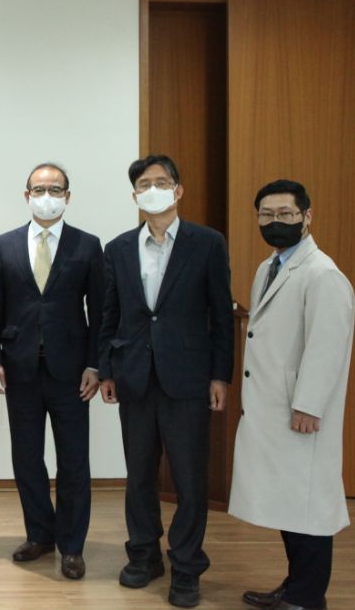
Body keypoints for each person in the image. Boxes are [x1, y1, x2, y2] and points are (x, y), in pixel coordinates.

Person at [98, 154, 233, 609]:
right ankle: (143, 556)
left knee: (190, 479)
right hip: (134, 377)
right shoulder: (118, 248)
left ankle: (187, 567)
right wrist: (107, 369)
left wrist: (220, 375)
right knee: (139, 476)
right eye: (144, 184)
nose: (152, 189)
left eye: (161, 182)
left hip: (188, 378)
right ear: (135, 195)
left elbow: (221, 315)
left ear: (178, 190)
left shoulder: (207, 243)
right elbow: (109, 315)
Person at [231, 180, 355, 610]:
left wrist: (308, 405)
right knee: (289, 505)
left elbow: (327, 347)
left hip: (300, 413)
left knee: (309, 509)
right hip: (272, 409)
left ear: (307, 216)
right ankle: (295, 586)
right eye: (267, 215)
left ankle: (307, 597)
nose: (275, 222)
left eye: (285, 214)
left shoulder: (323, 275)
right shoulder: (269, 267)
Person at [0, 162, 103, 580]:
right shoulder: (4, 245)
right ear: (27, 196)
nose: (47, 197)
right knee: (26, 458)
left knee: (73, 461)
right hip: (19, 367)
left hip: (72, 371)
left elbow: (100, 311)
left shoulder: (87, 245)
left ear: (67, 197)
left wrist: (94, 363)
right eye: (39, 190)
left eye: (55, 190)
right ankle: (40, 534)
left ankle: (72, 546)